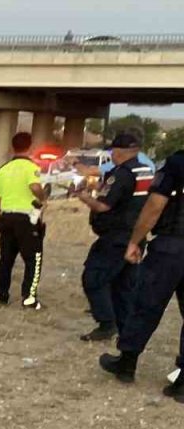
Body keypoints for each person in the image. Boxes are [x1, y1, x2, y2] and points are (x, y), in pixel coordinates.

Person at [98, 147, 184, 403]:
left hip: (172, 245)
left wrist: (135, 240)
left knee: (146, 304)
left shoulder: (177, 163)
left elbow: (155, 205)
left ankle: (127, 362)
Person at [73, 134, 147, 342]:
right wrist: (96, 187)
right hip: (136, 235)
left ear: (119, 152)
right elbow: (124, 194)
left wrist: (83, 197)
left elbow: (103, 206)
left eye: (112, 151)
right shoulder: (143, 171)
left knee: (94, 278)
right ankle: (126, 326)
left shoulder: (122, 173)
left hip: (116, 237)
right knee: (123, 284)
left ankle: (106, 324)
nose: (111, 155)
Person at [0, 132, 49, 310]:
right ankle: (29, 298)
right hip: (26, 219)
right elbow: (35, 187)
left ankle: (2, 295)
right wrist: (43, 197)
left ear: (12, 147)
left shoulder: (3, 170)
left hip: (6, 218)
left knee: (6, 259)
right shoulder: (30, 167)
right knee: (33, 259)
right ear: (30, 147)